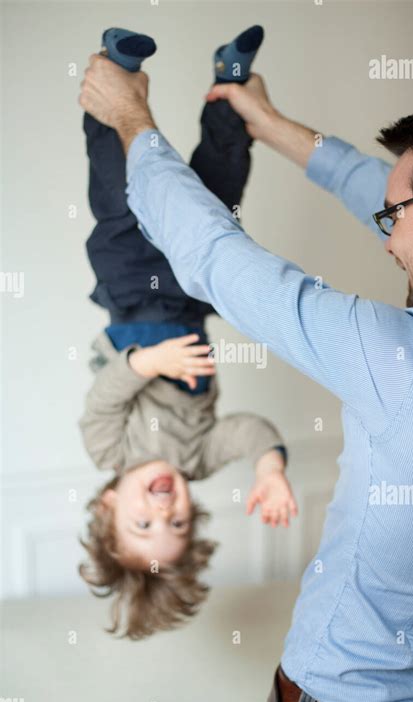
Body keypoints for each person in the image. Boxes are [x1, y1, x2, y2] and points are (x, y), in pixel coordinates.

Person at [78, 56, 413, 702]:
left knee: (124, 200)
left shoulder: (412, 360)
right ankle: (228, 125)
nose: (387, 241)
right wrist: (271, 124)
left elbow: (217, 258)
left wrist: (130, 118)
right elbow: (390, 193)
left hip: (353, 700)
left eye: (393, 218)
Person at [79, 28, 297, 641]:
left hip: (128, 287)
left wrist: (146, 364)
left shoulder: (108, 452)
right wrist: (269, 467)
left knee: (116, 192)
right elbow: (249, 430)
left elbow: (104, 400)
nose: (162, 511)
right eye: (175, 525)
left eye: (141, 525)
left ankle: (116, 73)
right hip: (191, 294)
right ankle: (229, 83)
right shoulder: (199, 460)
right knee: (217, 193)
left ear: (109, 506)